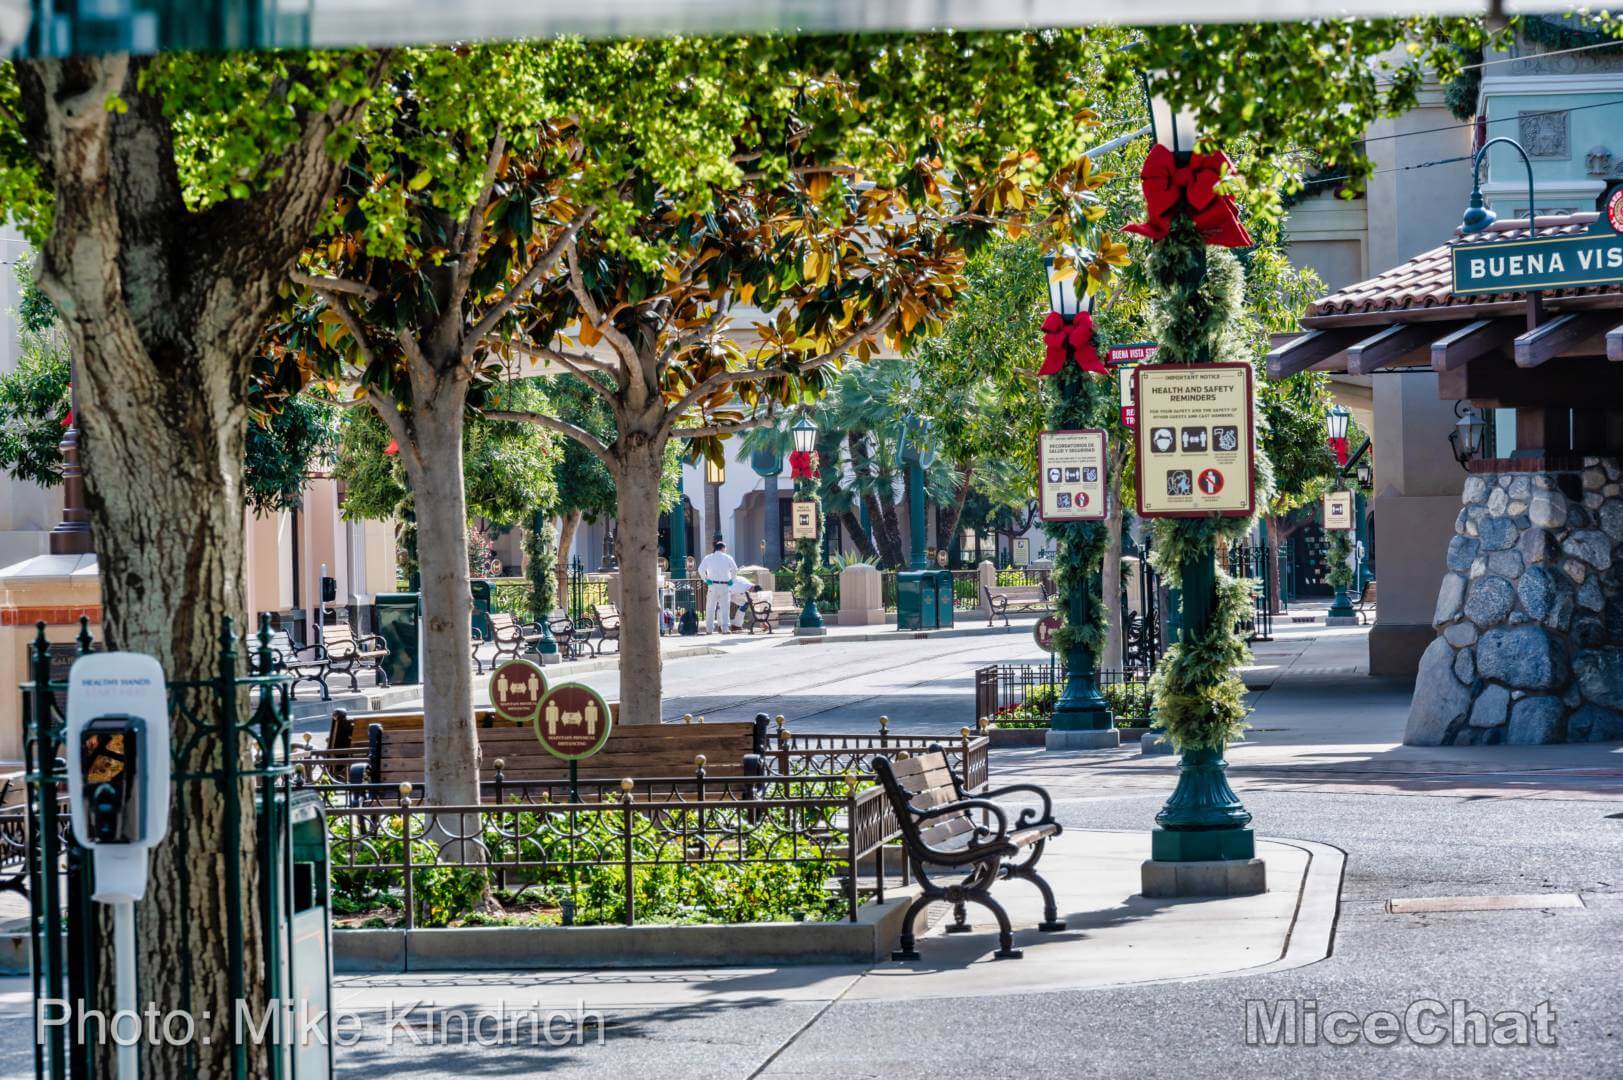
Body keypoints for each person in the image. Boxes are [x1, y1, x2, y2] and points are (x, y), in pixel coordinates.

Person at [697, 540, 738, 634]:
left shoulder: (708, 557)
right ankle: (725, 629)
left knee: (710, 608)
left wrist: (706, 579)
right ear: (723, 548)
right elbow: (735, 569)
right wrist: (732, 580)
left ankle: (709, 629)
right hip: (725, 585)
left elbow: (700, 569)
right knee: (725, 608)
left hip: (713, 585)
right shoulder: (728, 557)